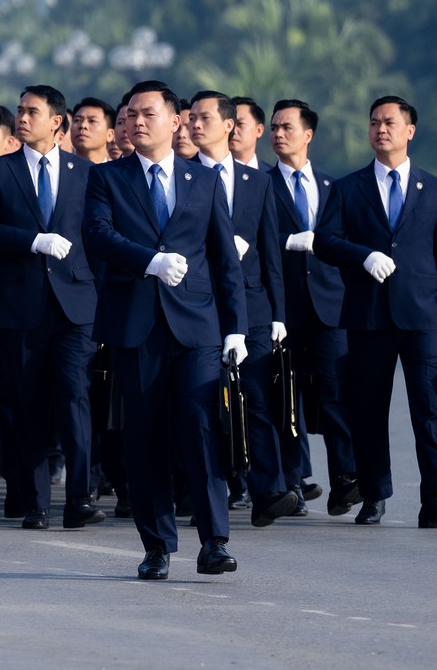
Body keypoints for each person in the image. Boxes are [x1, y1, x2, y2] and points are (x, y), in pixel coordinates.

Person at [84, 80, 247, 580]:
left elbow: (223, 260)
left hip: (196, 327)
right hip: (136, 328)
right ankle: (157, 546)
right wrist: (149, 261)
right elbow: (97, 234)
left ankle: (214, 542)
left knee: (200, 432)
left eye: (147, 114)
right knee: (146, 439)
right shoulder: (109, 178)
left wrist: (236, 329)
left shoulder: (203, 181)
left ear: (175, 121)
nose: (135, 122)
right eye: (129, 114)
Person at [313, 96, 437, 529]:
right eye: (375, 122)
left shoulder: (434, 188)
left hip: (424, 318)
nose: (382, 129)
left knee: (429, 408)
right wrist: (363, 256)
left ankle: (436, 497)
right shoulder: (347, 188)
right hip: (369, 318)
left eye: (391, 122)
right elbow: (325, 241)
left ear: (410, 131)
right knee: (369, 409)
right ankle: (374, 496)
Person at [0, 86, 102, 531]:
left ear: (57, 122)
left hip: (74, 306)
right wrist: (32, 241)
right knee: (26, 406)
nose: (22, 118)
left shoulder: (85, 173)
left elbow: (99, 236)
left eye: (32, 112)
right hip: (19, 305)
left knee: (74, 399)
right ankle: (37, 502)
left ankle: (80, 498)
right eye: (21, 110)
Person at [189, 90, 298, 526]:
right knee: (207, 404)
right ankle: (210, 494)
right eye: (191, 118)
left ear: (230, 125)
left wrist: (278, 315)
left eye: (204, 118)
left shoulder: (259, 181)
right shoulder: (183, 175)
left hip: (251, 306)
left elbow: (271, 250)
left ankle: (268, 491)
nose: (195, 125)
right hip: (199, 305)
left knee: (256, 399)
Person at [266, 98, 358, 514]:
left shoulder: (331, 186)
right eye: (273, 127)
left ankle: (346, 477)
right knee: (286, 396)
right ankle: (293, 481)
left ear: (308, 134)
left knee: (336, 392)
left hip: (330, 307)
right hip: (282, 307)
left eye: (286, 127)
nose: (278, 134)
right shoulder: (261, 185)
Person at [71, 98, 115, 164]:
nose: (83, 125)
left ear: (109, 135)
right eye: (77, 120)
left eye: (92, 121)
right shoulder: (58, 170)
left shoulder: (116, 173)